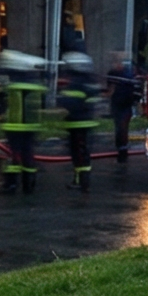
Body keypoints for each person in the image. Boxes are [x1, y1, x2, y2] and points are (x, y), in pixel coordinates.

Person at [0, 50, 44, 195]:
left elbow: (3, 103)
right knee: (28, 154)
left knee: (13, 156)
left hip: (15, 126)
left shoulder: (13, 84)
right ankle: (29, 184)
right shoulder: (34, 83)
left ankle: (10, 185)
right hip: (31, 126)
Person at [57, 53, 99, 192]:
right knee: (83, 155)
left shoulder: (75, 83)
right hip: (86, 124)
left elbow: (69, 102)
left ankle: (82, 182)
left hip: (77, 125)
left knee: (78, 155)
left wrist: (61, 96)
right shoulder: (89, 81)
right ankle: (81, 181)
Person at [104, 52, 141, 169]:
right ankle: (121, 153)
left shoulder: (126, 74)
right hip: (118, 105)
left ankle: (122, 155)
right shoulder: (116, 74)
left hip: (125, 105)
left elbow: (111, 91)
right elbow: (111, 90)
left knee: (122, 129)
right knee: (120, 129)